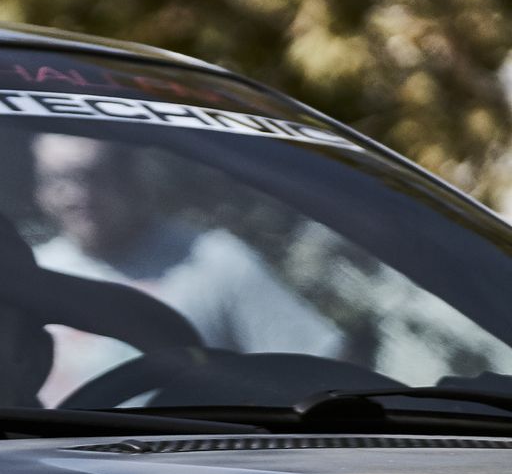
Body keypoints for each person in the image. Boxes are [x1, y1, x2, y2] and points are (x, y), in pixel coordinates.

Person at [30, 134, 342, 398]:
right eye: (54, 181)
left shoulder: (215, 262)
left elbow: (316, 376)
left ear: (129, 176)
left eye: (88, 176)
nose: (72, 197)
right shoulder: (33, 273)